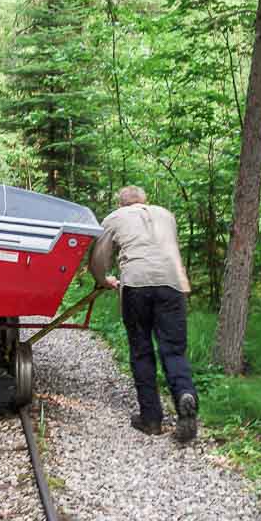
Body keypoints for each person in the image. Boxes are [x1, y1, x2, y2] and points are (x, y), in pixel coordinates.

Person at [90, 186, 198, 442]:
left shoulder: (115, 218)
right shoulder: (166, 215)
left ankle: (151, 419)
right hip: (172, 285)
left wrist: (103, 279)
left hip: (137, 286)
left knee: (141, 350)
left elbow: (98, 258)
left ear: (121, 203)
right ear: (144, 200)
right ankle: (184, 394)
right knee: (173, 350)